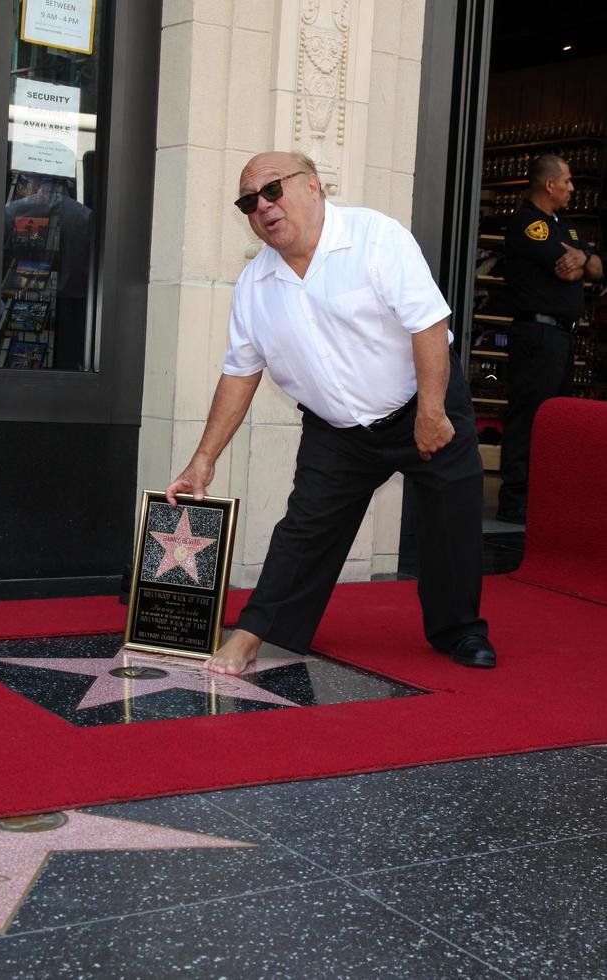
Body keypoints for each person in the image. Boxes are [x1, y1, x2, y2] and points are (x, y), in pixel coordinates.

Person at [166, 151, 496, 674]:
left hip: (424, 400)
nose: (263, 207)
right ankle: (252, 634)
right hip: (338, 429)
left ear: (314, 186)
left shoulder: (375, 237)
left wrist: (431, 411)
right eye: (249, 202)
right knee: (305, 528)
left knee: (452, 520)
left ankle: (460, 632)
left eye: (273, 190)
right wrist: (203, 459)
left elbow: (428, 324)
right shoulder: (255, 284)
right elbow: (240, 374)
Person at [497, 154, 603, 523]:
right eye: (568, 181)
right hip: (537, 334)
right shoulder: (529, 225)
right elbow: (569, 273)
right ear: (550, 185)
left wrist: (584, 255)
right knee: (530, 416)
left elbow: (595, 268)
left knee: (556, 419)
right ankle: (516, 501)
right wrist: (582, 262)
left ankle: (546, 497)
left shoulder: (567, 226)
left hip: (560, 337)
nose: (573, 188)